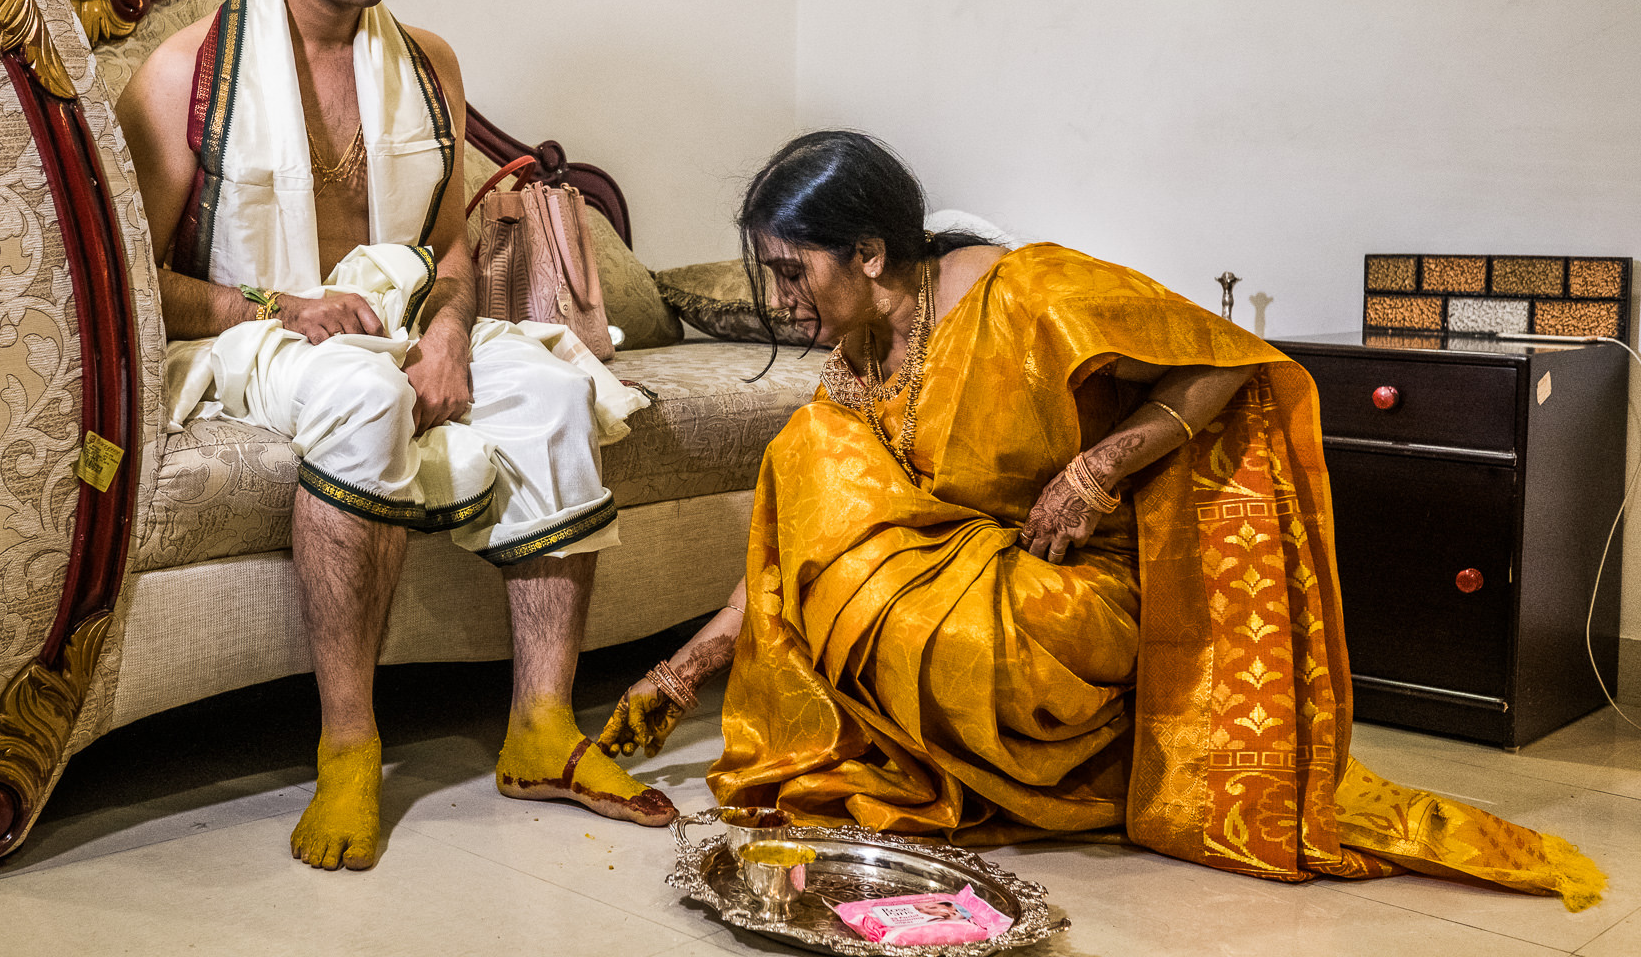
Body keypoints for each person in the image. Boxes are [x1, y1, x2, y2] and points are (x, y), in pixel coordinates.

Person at [600, 130, 1604, 910]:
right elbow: (801, 545)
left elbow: (1225, 356)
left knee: (933, 619)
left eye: (791, 271)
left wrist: (1096, 466)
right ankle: (933, 749)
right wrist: (685, 666)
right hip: (965, 576)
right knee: (808, 460)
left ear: (869, 253)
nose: (778, 299)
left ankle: (1060, 757)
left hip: (1081, 581)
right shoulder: (854, 364)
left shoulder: (1021, 288)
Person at [116, 0, 675, 872]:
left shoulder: (428, 63)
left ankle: (543, 727)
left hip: (404, 315)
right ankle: (349, 745)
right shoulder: (187, 75)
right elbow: (142, 282)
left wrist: (454, 331)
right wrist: (279, 307)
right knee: (362, 395)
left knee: (556, 392)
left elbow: (454, 250)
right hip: (251, 332)